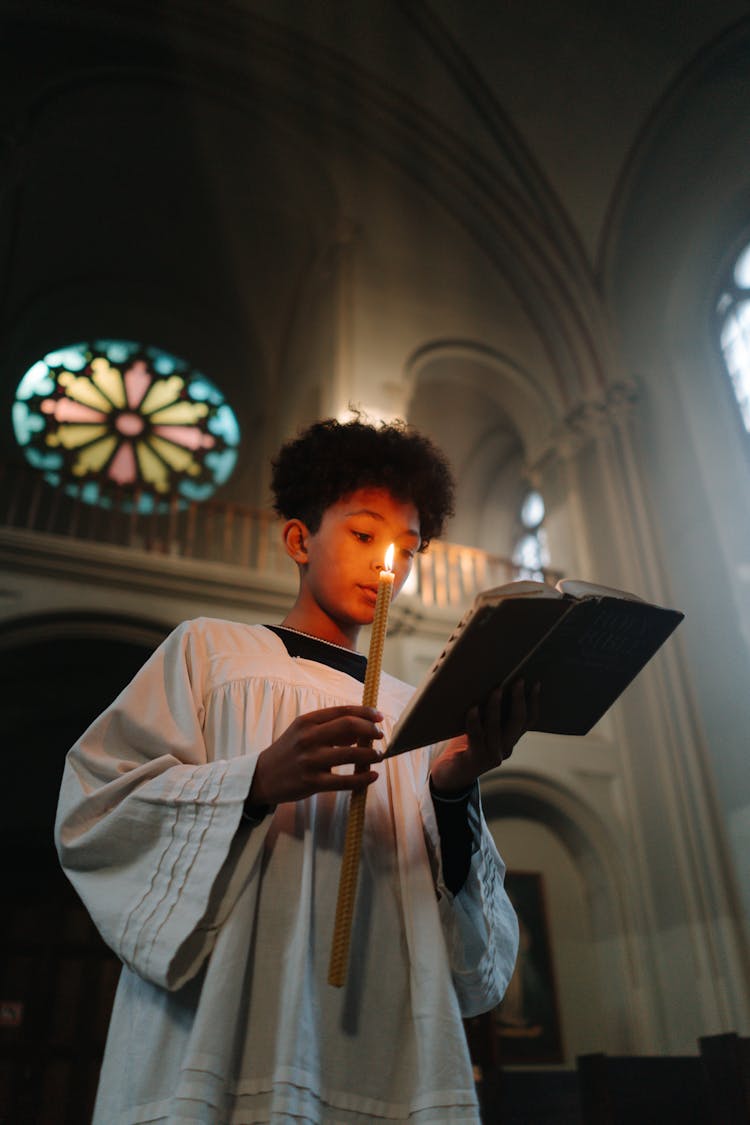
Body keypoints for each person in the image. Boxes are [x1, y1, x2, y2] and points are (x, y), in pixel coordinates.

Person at [55, 417, 531, 1124]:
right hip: (227, 1027)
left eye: (407, 547)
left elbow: (471, 950)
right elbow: (96, 809)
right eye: (365, 535)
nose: (385, 565)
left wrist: (452, 788)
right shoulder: (213, 654)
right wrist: (250, 782)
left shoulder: (419, 713)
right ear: (300, 539)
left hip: (379, 1041)